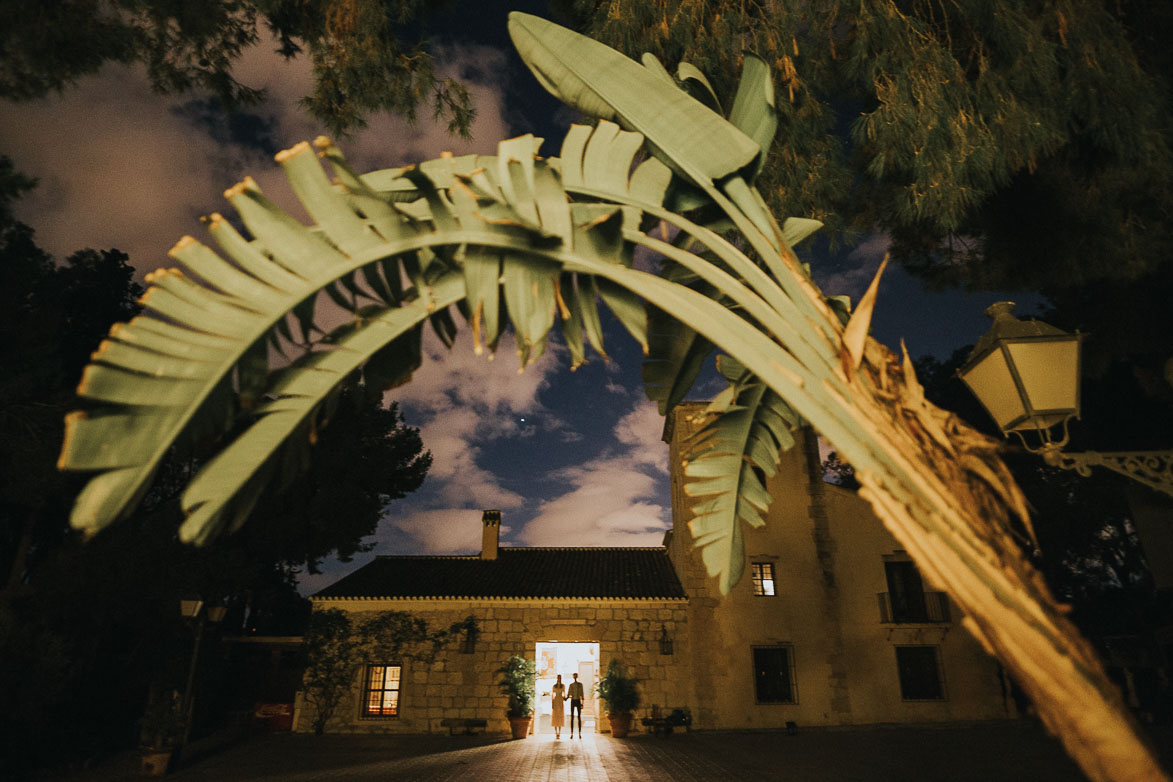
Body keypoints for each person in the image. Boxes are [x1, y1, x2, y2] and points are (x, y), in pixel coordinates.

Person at [567, 672, 584, 738]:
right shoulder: (571, 685)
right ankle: (572, 733)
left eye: (576, 676)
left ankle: (579, 732)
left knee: (579, 717)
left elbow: (582, 694)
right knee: (572, 717)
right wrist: (566, 698)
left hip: (578, 701)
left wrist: (582, 703)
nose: (575, 677)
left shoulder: (580, 685)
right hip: (573, 700)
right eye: (574, 676)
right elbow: (569, 693)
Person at [550, 674, 566, 739]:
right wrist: (552, 703)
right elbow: (552, 695)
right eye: (558, 678)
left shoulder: (563, 686)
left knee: (560, 716)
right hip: (556, 700)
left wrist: (565, 698)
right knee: (555, 716)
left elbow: (564, 694)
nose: (559, 679)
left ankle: (559, 732)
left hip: (560, 701)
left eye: (560, 678)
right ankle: (556, 732)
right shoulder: (554, 686)